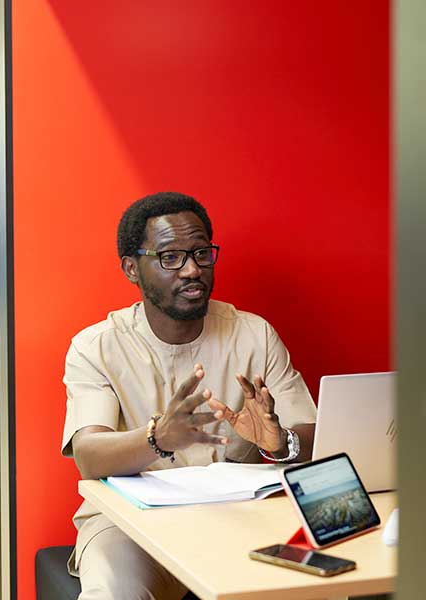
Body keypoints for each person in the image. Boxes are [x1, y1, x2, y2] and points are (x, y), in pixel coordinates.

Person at [61, 191, 317, 599]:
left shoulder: (254, 335)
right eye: (170, 258)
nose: (191, 270)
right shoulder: (97, 347)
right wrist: (156, 438)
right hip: (129, 524)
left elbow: (313, 434)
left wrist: (278, 443)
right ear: (131, 268)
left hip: (242, 516)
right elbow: (89, 455)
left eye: (201, 253)